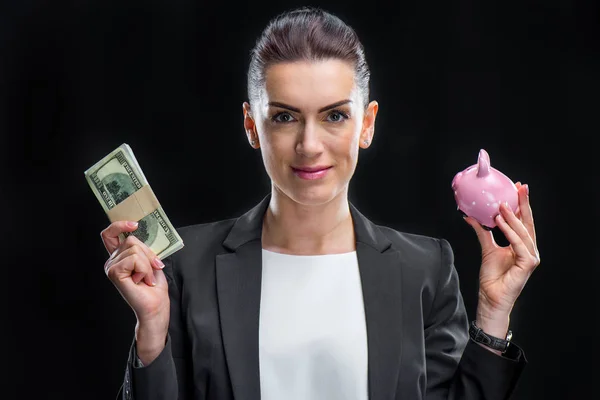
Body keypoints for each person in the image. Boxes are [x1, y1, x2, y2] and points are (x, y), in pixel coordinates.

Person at [102, 6, 540, 400]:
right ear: (252, 126)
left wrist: (494, 315)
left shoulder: (425, 269)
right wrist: (152, 334)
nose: (309, 145)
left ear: (366, 125)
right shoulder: (184, 266)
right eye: (285, 117)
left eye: (334, 115)